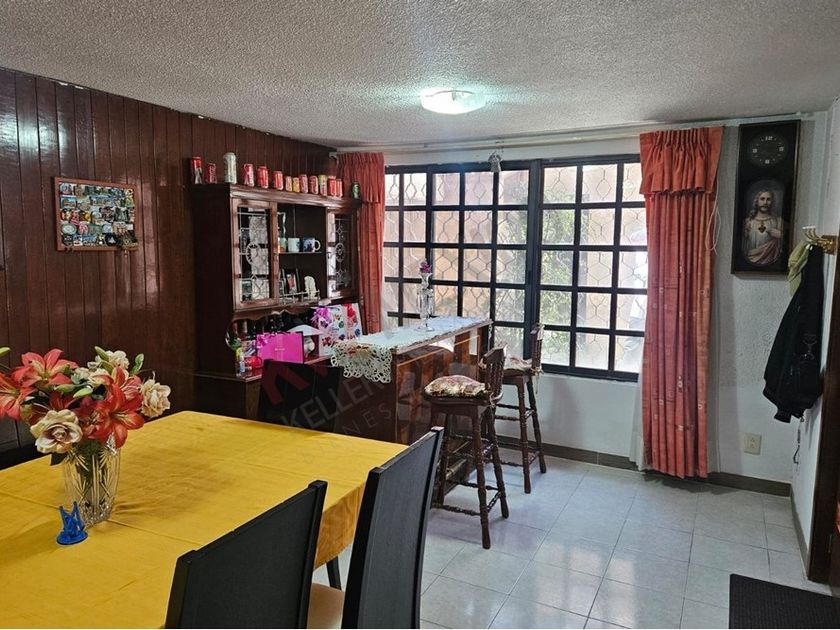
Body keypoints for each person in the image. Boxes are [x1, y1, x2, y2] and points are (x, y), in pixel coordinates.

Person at [743, 189, 783, 265]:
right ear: (757, 201)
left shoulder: (778, 221)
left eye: (768, 199)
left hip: (771, 262)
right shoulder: (748, 222)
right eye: (762, 199)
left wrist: (781, 236)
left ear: (772, 202)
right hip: (751, 260)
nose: (765, 202)